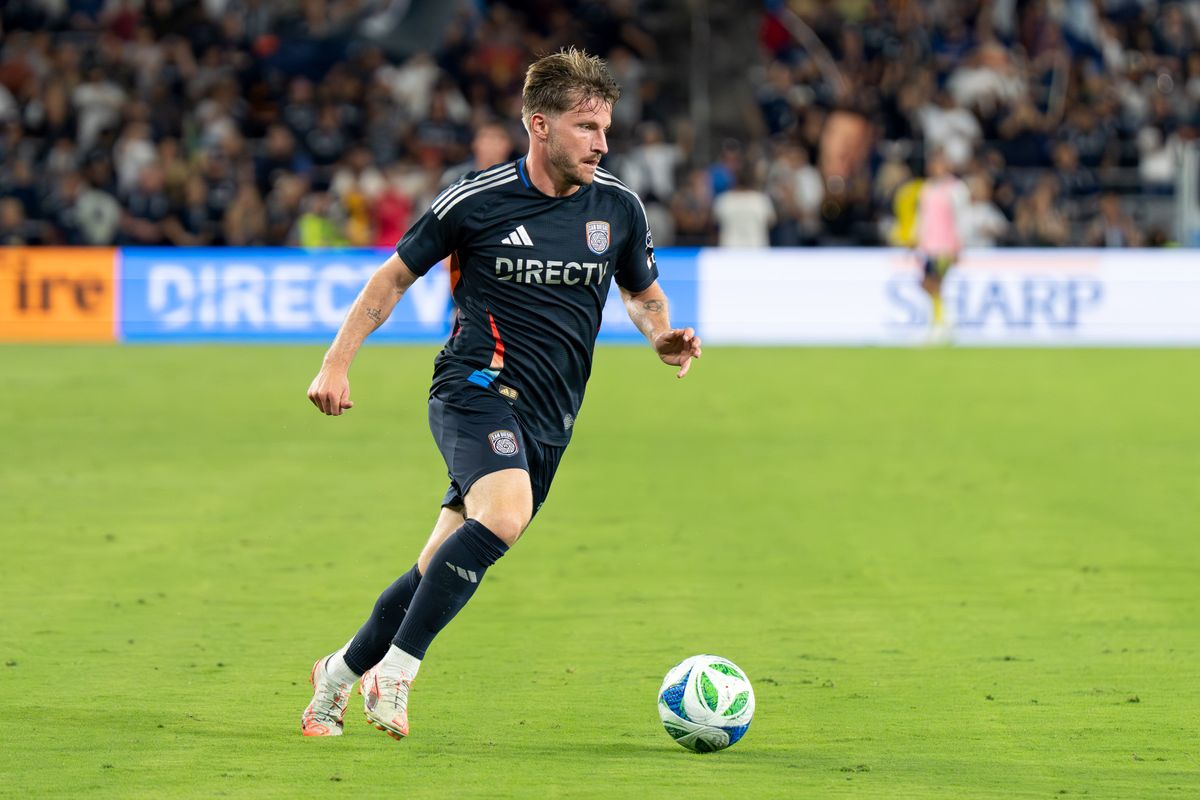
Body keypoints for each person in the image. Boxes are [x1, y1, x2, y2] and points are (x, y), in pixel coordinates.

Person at [301, 47, 702, 740]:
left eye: (605, 129)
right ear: (539, 125)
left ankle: (335, 675)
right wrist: (336, 364)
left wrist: (660, 334)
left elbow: (642, 294)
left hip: (551, 417)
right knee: (506, 515)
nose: (602, 144)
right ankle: (395, 672)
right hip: (473, 388)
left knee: (436, 565)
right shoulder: (476, 200)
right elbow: (392, 278)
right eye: (586, 127)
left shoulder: (618, 207)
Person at [915, 150, 969, 340]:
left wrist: (959, 245)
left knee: (935, 283)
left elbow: (962, 218)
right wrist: (918, 241)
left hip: (946, 246)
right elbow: (922, 218)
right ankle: (942, 321)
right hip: (929, 246)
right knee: (929, 285)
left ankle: (940, 324)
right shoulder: (927, 189)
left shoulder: (956, 189)